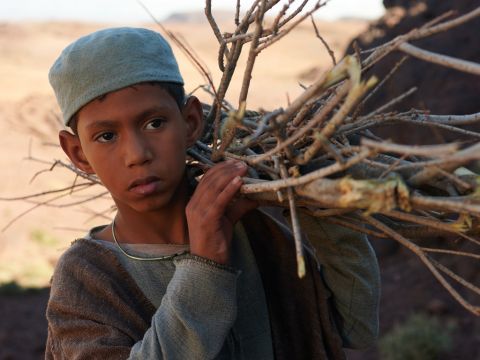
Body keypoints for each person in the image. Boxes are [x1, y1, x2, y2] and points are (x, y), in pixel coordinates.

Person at [45, 27, 380, 360]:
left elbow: (354, 327)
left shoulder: (255, 234)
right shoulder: (87, 278)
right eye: (106, 136)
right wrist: (204, 264)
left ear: (191, 122)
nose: (137, 154)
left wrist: (320, 199)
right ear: (78, 153)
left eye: (155, 124)